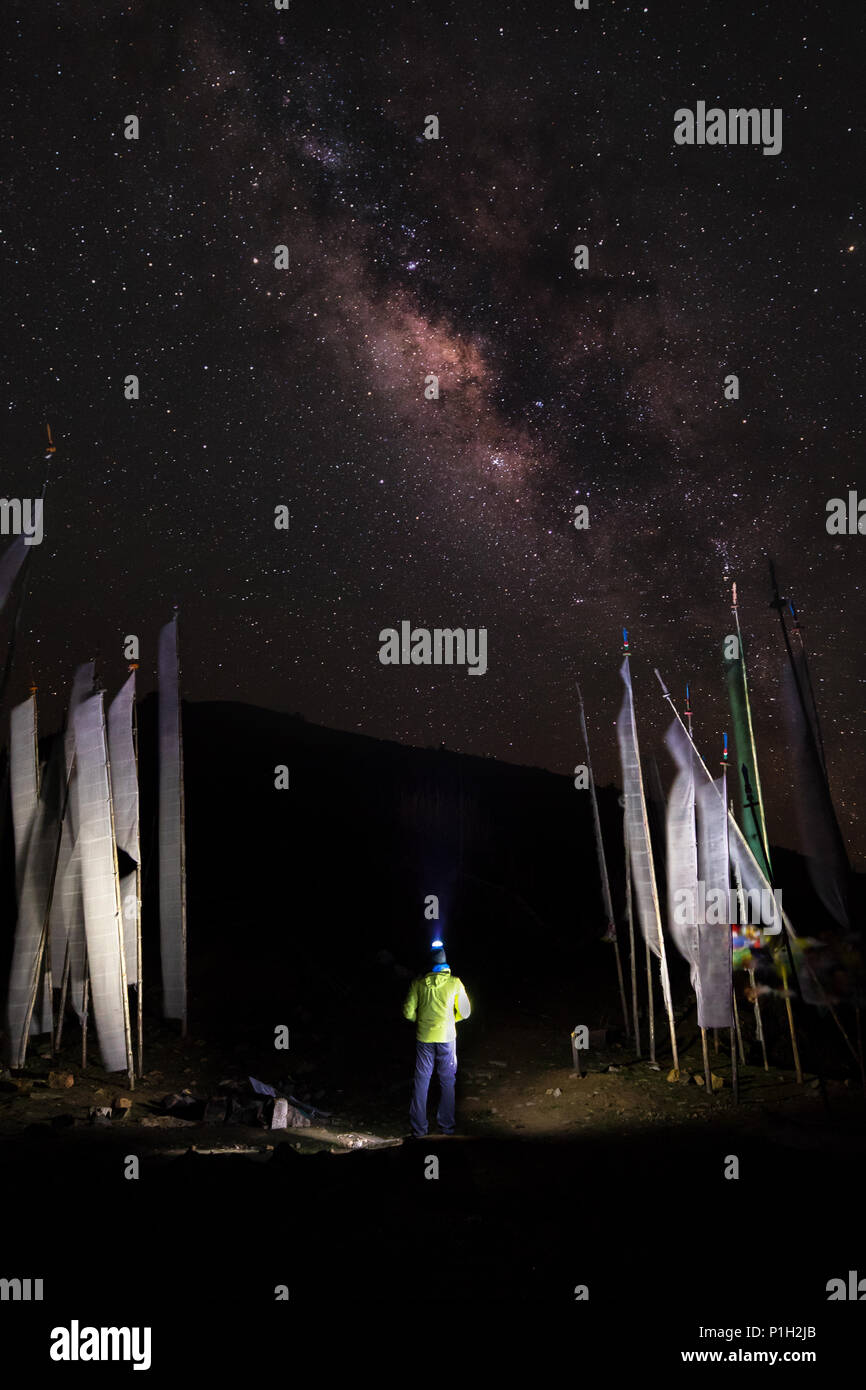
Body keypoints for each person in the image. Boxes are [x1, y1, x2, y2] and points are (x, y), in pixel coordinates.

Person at [402, 947, 471, 1138]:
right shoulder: (455, 983)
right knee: (447, 1081)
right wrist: (451, 1019)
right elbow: (465, 1012)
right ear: (445, 963)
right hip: (447, 1038)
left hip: (424, 1038)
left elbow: (407, 1013)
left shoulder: (418, 983)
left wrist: (422, 1020)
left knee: (421, 1082)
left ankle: (419, 1130)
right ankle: (446, 1129)